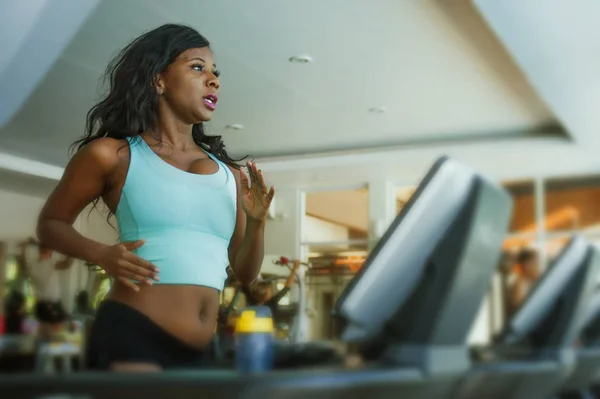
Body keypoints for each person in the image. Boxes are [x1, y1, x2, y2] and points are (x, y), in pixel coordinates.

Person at [36, 24, 275, 371]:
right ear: (158, 80)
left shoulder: (231, 175)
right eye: (197, 67)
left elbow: (245, 272)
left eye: (215, 72)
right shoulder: (112, 155)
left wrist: (257, 223)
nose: (213, 80)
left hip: (203, 351)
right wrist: (102, 254)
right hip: (133, 334)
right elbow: (50, 224)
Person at [18, 237, 73, 338]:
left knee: (46, 335)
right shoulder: (50, 263)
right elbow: (67, 264)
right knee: (58, 333)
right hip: (50, 304)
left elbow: (22, 264)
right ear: (48, 250)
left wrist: (23, 248)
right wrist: (73, 251)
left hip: (42, 305)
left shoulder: (33, 265)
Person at [507, 248, 541, 316]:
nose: (538, 268)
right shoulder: (520, 285)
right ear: (526, 265)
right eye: (536, 263)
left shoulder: (527, 282)